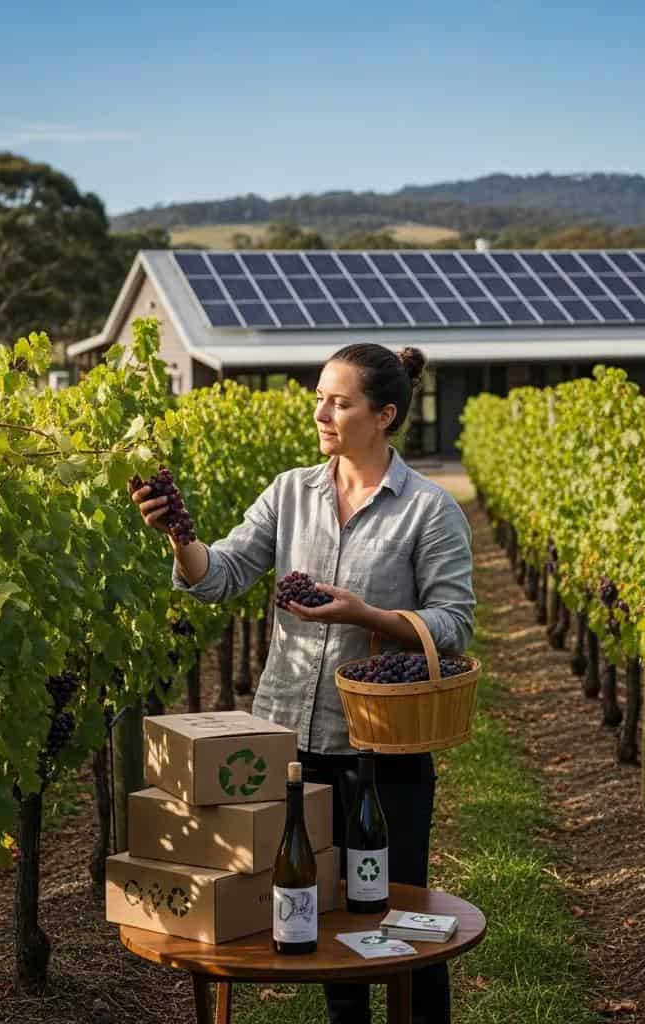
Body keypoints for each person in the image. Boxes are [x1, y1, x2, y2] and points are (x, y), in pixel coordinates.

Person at [132, 342, 475, 1024]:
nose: (321, 412)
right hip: (290, 747)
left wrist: (363, 613)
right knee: (318, 915)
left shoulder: (428, 510)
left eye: (338, 402)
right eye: (319, 397)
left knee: (399, 914)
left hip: (384, 753)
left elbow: (454, 624)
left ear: (383, 414)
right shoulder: (290, 491)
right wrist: (179, 537)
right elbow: (221, 574)